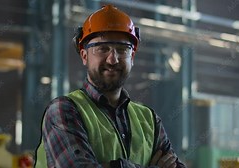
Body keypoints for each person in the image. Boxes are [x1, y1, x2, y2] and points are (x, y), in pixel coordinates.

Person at [36, 4, 186, 168]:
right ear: (84, 56)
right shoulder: (63, 110)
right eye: (102, 49)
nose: (112, 59)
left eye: (122, 50)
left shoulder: (148, 119)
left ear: (132, 57)